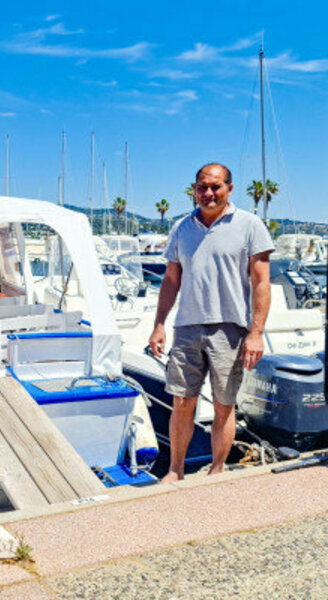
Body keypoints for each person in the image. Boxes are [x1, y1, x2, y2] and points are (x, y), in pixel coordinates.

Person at [148, 163, 274, 481]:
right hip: (187, 326)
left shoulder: (250, 225)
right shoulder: (181, 228)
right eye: (202, 187)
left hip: (230, 327)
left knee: (223, 405)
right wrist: (159, 324)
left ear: (229, 189)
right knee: (181, 401)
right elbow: (171, 281)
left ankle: (217, 471)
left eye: (215, 186)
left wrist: (256, 333)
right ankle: (175, 471)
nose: (208, 193)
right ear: (194, 189)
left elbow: (261, 282)